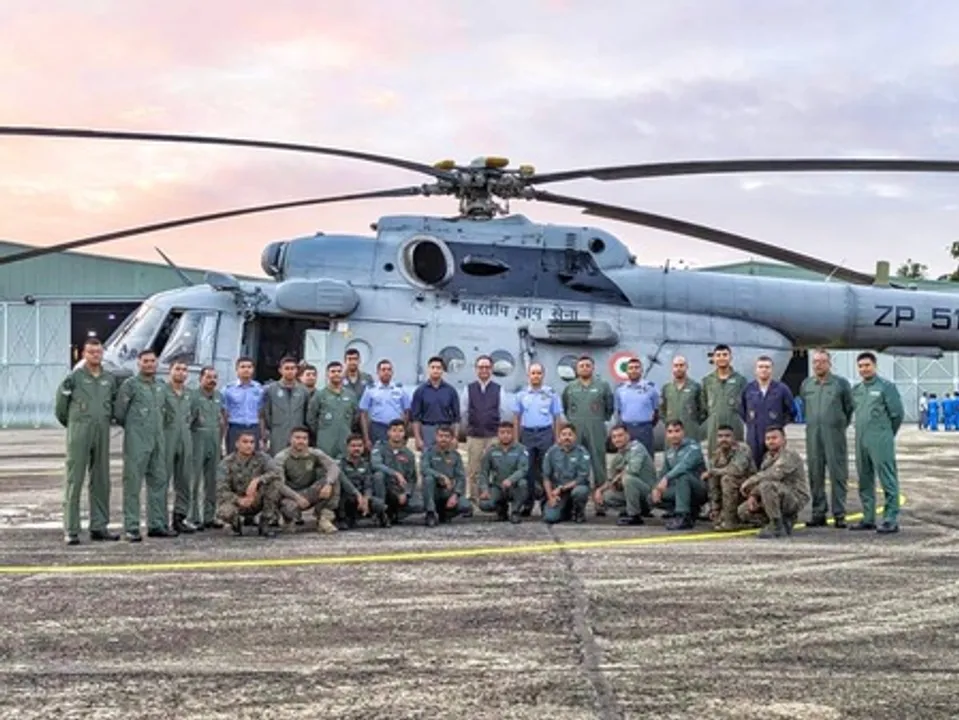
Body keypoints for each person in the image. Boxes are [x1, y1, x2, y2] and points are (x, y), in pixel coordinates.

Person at [55, 338, 119, 545]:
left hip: (102, 431)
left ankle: (99, 526)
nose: (95, 356)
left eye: (98, 352)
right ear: (84, 354)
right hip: (80, 431)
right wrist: (75, 424)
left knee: (101, 479)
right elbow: (61, 408)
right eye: (91, 352)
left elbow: (114, 403)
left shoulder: (109, 378)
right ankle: (71, 529)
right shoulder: (74, 378)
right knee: (75, 479)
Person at [114, 349, 171, 541]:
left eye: (152, 361)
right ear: (139, 363)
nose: (149, 364)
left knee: (159, 482)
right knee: (133, 484)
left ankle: (156, 524)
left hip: (158, 441)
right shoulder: (130, 386)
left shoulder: (161, 386)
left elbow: (166, 414)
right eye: (145, 361)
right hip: (137, 441)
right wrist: (135, 429)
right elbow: (120, 413)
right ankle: (131, 526)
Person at [850, 352, 904, 534]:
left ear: (874, 366)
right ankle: (868, 518)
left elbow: (897, 414)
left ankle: (890, 518)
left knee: (887, 477)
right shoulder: (857, 390)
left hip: (880, 437)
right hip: (861, 438)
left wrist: (886, 434)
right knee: (864, 478)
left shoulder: (885, 387)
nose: (864, 369)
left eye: (867, 365)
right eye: (861, 366)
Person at [799, 349, 854, 528]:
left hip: (834, 435)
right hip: (813, 435)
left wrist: (838, 425)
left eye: (822, 361)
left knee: (838, 474)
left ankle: (839, 514)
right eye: (815, 362)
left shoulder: (840, 384)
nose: (818, 365)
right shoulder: (807, 384)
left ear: (829, 363)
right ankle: (818, 513)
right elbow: (804, 405)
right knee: (815, 474)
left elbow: (849, 408)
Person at [737, 426, 810, 539]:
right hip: (775, 495)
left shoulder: (789, 455)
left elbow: (772, 475)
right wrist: (753, 495)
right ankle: (781, 522)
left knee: (767, 486)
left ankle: (777, 525)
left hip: (793, 497)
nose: (770, 441)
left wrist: (749, 484)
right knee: (743, 511)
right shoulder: (767, 457)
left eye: (774, 438)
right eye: (768, 438)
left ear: (784, 440)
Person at [512, 362, 562, 516]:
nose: (536, 376)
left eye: (538, 373)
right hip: (527, 434)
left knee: (545, 470)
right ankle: (528, 503)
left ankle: (546, 502)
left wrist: (557, 438)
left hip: (545, 433)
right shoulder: (521, 395)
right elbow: (516, 418)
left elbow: (557, 417)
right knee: (528, 471)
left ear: (543, 375)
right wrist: (515, 439)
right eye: (533, 373)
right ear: (528, 375)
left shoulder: (550, 394)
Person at [215, 430, 282, 537]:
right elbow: (221, 489)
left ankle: (265, 523)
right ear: (237, 444)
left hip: (257, 499)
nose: (249, 445)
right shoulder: (226, 463)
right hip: (237, 501)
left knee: (275, 483)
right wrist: (239, 500)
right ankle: (235, 526)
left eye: (252, 442)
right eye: (245, 442)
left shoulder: (262, 458)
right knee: (224, 512)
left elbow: (276, 473)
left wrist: (258, 480)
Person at [274, 426, 340, 534]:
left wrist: (328, 483)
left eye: (304, 438)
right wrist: (297, 497)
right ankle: (288, 520)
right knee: (286, 507)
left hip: (309, 492)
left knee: (334, 480)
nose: (301, 441)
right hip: (290, 496)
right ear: (290, 439)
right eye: (297, 438)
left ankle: (324, 518)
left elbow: (334, 466)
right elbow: (279, 484)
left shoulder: (314, 453)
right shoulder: (281, 457)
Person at [561, 356, 614, 489]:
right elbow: (565, 406)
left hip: (596, 426)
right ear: (577, 370)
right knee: (574, 459)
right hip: (576, 428)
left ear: (593, 368)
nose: (584, 368)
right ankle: (574, 492)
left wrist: (600, 418)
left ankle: (600, 494)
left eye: (587, 365)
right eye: (581, 366)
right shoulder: (570, 387)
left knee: (598, 461)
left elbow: (609, 407)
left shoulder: (603, 385)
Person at [461, 355, 505, 506]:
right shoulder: (469, 389)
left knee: (493, 469)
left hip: (493, 435)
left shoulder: (499, 389)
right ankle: (473, 499)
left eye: (487, 367)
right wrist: (472, 427)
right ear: (476, 370)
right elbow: (464, 412)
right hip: (475, 436)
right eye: (481, 367)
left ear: (491, 370)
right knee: (474, 469)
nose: (484, 370)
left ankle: (491, 499)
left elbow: (502, 412)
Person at [650, 419, 707, 531]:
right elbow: (663, 474)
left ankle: (683, 516)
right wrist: (656, 488)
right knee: (651, 497)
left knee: (682, 476)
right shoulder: (670, 453)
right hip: (681, 490)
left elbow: (685, 465)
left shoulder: (693, 447)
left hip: (699, 489)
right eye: (670, 432)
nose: (674, 435)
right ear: (666, 434)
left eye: (677, 431)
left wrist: (667, 478)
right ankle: (684, 511)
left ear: (683, 432)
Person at [163, 359, 197, 534]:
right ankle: (160, 520)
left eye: (185, 369)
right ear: (170, 371)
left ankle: (179, 517)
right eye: (178, 369)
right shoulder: (162, 391)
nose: (181, 372)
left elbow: (194, 418)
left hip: (185, 438)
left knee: (184, 480)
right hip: (166, 438)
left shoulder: (190, 394)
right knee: (162, 480)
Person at [597, 424, 656, 527]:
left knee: (628, 479)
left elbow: (633, 470)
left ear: (628, 436)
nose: (617, 439)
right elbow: (610, 480)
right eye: (614, 437)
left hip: (648, 495)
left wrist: (618, 477)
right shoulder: (618, 457)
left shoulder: (637, 448)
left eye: (620, 435)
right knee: (607, 496)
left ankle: (634, 516)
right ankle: (631, 510)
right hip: (633, 495)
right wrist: (599, 491)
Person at [741, 355, 794, 467]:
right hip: (754, 437)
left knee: (777, 467)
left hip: (775, 436)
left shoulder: (782, 389)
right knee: (754, 467)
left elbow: (791, 410)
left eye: (767, 367)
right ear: (756, 370)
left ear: (772, 370)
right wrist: (752, 424)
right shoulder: (748, 389)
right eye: (760, 367)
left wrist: (779, 425)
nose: (764, 369)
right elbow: (742, 410)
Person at [702, 424, 756, 530]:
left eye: (727, 436)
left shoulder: (743, 449)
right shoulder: (716, 455)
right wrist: (715, 508)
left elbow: (736, 470)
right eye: (720, 436)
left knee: (727, 479)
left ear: (734, 437)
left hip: (750, 491)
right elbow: (714, 486)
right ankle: (725, 516)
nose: (723, 439)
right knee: (712, 478)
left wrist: (713, 472)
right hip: (731, 496)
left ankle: (730, 521)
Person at [190, 366, 225, 530]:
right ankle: (193, 516)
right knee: (194, 480)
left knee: (212, 480)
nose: (212, 380)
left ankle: (209, 516)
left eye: (215, 377)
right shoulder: (193, 396)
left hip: (214, 439)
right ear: (200, 378)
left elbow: (223, 418)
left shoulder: (218, 396)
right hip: (197, 439)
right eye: (208, 377)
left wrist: (221, 440)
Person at [370, 418, 425, 523]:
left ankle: (395, 514)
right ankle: (380, 512)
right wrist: (395, 473)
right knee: (378, 475)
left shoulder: (409, 454)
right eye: (394, 430)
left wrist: (406, 493)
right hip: (383, 488)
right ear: (388, 432)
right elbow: (375, 464)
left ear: (404, 433)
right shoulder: (379, 447)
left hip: (398, 490)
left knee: (420, 505)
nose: (397, 434)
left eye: (400, 431)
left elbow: (412, 479)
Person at [700, 344, 748, 456]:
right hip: (714, 425)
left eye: (725, 355)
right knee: (714, 455)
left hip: (734, 423)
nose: (722, 358)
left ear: (730, 357)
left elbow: (746, 403)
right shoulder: (707, 381)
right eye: (718, 355)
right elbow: (703, 405)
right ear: (714, 358)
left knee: (737, 454)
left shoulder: (740, 380)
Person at [477, 421, 529, 523]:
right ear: (498, 434)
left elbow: (523, 469)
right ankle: (501, 512)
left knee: (523, 484)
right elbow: (484, 472)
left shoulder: (521, 449)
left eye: (508, 433)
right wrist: (484, 489)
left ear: (513, 434)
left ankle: (515, 512)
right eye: (502, 432)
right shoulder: (491, 451)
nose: (505, 435)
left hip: (514, 486)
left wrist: (511, 480)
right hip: (498, 486)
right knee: (484, 504)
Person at [420, 425, 471, 526]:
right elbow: (424, 469)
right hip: (433, 491)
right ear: (436, 437)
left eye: (447, 436)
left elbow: (461, 477)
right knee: (428, 479)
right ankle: (430, 513)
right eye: (441, 436)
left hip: (448, 491)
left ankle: (446, 514)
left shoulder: (455, 456)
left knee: (466, 506)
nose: (443, 439)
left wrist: (455, 495)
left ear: (451, 439)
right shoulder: (428, 453)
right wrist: (440, 476)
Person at [306, 360, 358, 460]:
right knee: (325, 467)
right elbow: (311, 418)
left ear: (343, 373)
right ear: (327, 374)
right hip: (325, 441)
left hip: (345, 438)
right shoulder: (319, 395)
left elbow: (355, 417)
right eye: (333, 371)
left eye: (339, 371)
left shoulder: (350, 395)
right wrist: (322, 431)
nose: (336, 374)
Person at [541, 424, 592, 524]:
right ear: (559, 437)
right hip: (558, 493)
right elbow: (546, 477)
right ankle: (565, 510)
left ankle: (579, 512)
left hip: (574, 488)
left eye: (570, 434)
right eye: (564, 434)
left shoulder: (582, 452)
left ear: (575, 437)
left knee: (580, 491)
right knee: (550, 518)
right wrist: (551, 498)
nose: (567, 437)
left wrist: (562, 488)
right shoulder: (552, 452)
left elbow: (582, 477)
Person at [260, 356, 309, 456]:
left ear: (297, 370)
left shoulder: (303, 390)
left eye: (292, 368)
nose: (290, 371)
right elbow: (266, 414)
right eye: (287, 368)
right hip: (278, 433)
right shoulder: (271, 390)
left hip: (298, 433)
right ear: (280, 370)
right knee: (277, 461)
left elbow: (307, 413)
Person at [411, 356, 460, 451]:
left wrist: (455, 437)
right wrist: (418, 439)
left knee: (445, 461)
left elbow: (456, 418)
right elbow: (415, 418)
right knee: (427, 460)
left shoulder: (451, 391)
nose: (435, 370)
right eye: (432, 367)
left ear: (443, 370)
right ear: (428, 369)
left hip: (445, 430)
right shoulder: (420, 391)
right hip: (427, 429)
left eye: (438, 368)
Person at [338, 434, 389, 527]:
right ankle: (344, 519)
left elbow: (368, 484)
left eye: (360, 446)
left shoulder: (366, 464)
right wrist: (357, 496)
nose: (356, 448)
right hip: (347, 496)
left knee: (379, 504)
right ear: (347, 447)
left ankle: (380, 517)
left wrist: (366, 498)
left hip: (362, 496)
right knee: (346, 500)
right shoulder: (341, 463)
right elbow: (344, 483)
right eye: (353, 446)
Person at [359, 359, 410, 449]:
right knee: (377, 455)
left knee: (396, 456)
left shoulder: (400, 389)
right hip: (377, 427)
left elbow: (407, 411)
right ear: (378, 372)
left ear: (392, 372)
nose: (386, 372)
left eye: (389, 369)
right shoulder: (371, 389)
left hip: (396, 428)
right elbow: (363, 413)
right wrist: (366, 438)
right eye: (383, 370)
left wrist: (403, 432)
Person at [613, 357, 659, 457]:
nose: (634, 370)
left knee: (647, 457)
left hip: (645, 428)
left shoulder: (651, 388)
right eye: (631, 368)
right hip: (627, 429)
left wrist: (647, 425)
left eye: (636, 367)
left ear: (641, 370)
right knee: (626, 458)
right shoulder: (620, 390)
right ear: (627, 371)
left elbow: (656, 411)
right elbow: (619, 411)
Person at [222, 357, 265, 453]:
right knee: (233, 458)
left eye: (249, 367)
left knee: (254, 459)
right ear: (236, 370)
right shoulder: (228, 390)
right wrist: (223, 438)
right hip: (235, 428)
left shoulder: (259, 389)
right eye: (242, 367)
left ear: (253, 370)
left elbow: (261, 414)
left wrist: (262, 436)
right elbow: (224, 414)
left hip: (253, 427)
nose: (246, 369)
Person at [659, 355, 706, 442]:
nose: (678, 368)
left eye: (681, 365)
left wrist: (693, 423)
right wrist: (669, 422)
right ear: (672, 368)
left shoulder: (695, 387)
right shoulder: (667, 388)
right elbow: (662, 410)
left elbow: (703, 410)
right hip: (672, 434)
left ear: (687, 367)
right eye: (676, 366)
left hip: (691, 432)